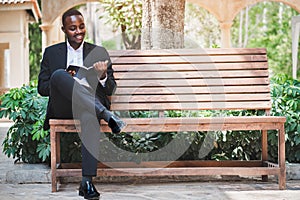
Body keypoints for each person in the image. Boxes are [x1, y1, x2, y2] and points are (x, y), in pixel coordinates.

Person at [37, 9, 126, 200]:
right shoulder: (52, 53)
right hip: (63, 107)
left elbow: (111, 89)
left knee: (89, 116)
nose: (78, 31)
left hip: (87, 107)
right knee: (59, 75)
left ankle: (86, 182)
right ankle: (104, 113)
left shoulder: (99, 52)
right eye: (72, 28)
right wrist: (64, 82)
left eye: (81, 26)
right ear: (64, 30)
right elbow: (42, 88)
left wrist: (102, 77)